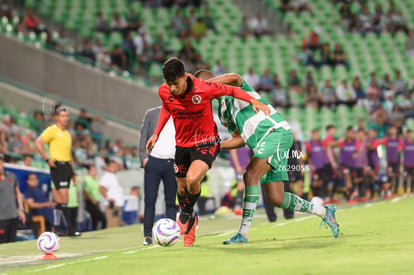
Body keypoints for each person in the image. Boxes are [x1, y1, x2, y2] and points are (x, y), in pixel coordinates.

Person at [194, 71, 340, 244]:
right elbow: (239, 139)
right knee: (276, 198)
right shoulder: (223, 112)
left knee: (250, 175)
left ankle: (243, 233)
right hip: (265, 143)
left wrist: (204, 86)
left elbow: (234, 76)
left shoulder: (233, 87)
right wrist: (217, 145)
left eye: (204, 85)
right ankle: (324, 211)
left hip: (275, 132)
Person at [145, 57, 270, 247]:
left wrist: (253, 100)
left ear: (183, 77)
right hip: (182, 145)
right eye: (169, 84)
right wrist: (156, 134)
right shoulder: (165, 91)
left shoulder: (202, 88)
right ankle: (191, 218)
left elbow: (233, 89)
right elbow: (166, 108)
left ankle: (186, 213)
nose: (172, 89)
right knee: (181, 188)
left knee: (192, 179)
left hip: (206, 142)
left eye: (175, 84)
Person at [35, 104, 81, 237]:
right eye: (63, 116)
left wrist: (73, 173)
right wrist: (46, 159)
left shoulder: (67, 134)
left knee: (61, 200)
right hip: (58, 166)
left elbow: (69, 155)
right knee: (64, 198)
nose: (65, 118)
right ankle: (69, 229)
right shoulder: (52, 130)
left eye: (67, 116)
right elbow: (38, 143)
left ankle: (58, 227)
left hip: (66, 166)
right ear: (56, 117)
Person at [139, 106, 177, 245]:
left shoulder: (180, 113)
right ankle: (147, 235)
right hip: (153, 161)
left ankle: (172, 232)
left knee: (171, 201)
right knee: (150, 199)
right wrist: (143, 157)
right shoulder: (152, 113)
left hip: (172, 162)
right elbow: (143, 135)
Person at [0, 154, 26, 243]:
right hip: (1, 217)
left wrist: (21, 210)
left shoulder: (11, 176)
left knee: (12, 241)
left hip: (13, 214)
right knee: (2, 242)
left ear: (3, 163)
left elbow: (17, 193)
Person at [99, 159, 123, 228]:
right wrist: (108, 198)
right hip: (112, 205)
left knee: (117, 223)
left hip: (117, 204)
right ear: (108, 167)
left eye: (116, 166)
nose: (115, 167)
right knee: (113, 224)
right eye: (113, 166)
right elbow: (101, 188)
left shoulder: (114, 176)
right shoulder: (107, 176)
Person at [83, 165, 107, 231]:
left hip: (96, 201)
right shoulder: (87, 179)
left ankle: (95, 231)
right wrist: (92, 200)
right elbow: (85, 191)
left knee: (95, 220)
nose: (95, 172)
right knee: (103, 219)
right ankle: (103, 231)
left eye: (95, 170)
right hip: (90, 202)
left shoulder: (96, 179)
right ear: (89, 171)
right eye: (93, 170)